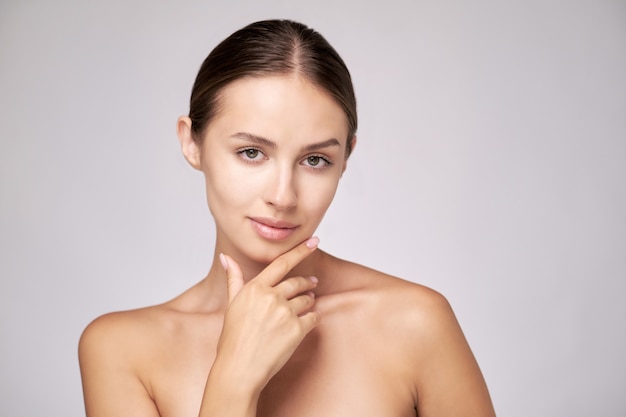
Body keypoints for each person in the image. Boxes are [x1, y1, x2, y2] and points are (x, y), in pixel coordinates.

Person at [78, 19, 496, 417]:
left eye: (315, 160)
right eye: (251, 153)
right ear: (192, 143)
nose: (283, 196)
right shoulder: (120, 350)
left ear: (346, 158)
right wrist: (234, 379)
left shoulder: (415, 323)